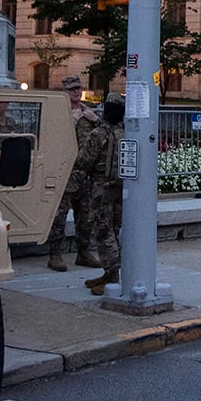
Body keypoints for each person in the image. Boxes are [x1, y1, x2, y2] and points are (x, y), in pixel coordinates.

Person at [46, 75, 101, 272]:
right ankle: (55, 254)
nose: (76, 92)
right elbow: (53, 136)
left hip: (84, 171)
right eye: (72, 89)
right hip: (65, 171)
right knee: (59, 214)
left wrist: (96, 120)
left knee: (85, 215)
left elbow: (102, 133)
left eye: (78, 88)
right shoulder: (59, 112)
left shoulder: (88, 110)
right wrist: (73, 120)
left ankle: (84, 253)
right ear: (65, 91)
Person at [81, 94, 126, 294]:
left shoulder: (98, 134)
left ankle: (111, 274)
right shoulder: (126, 132)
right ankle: (110, 273)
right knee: (115, 230)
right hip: (121, 187)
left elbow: (84, 160)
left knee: (103, 231)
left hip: (101, 188)